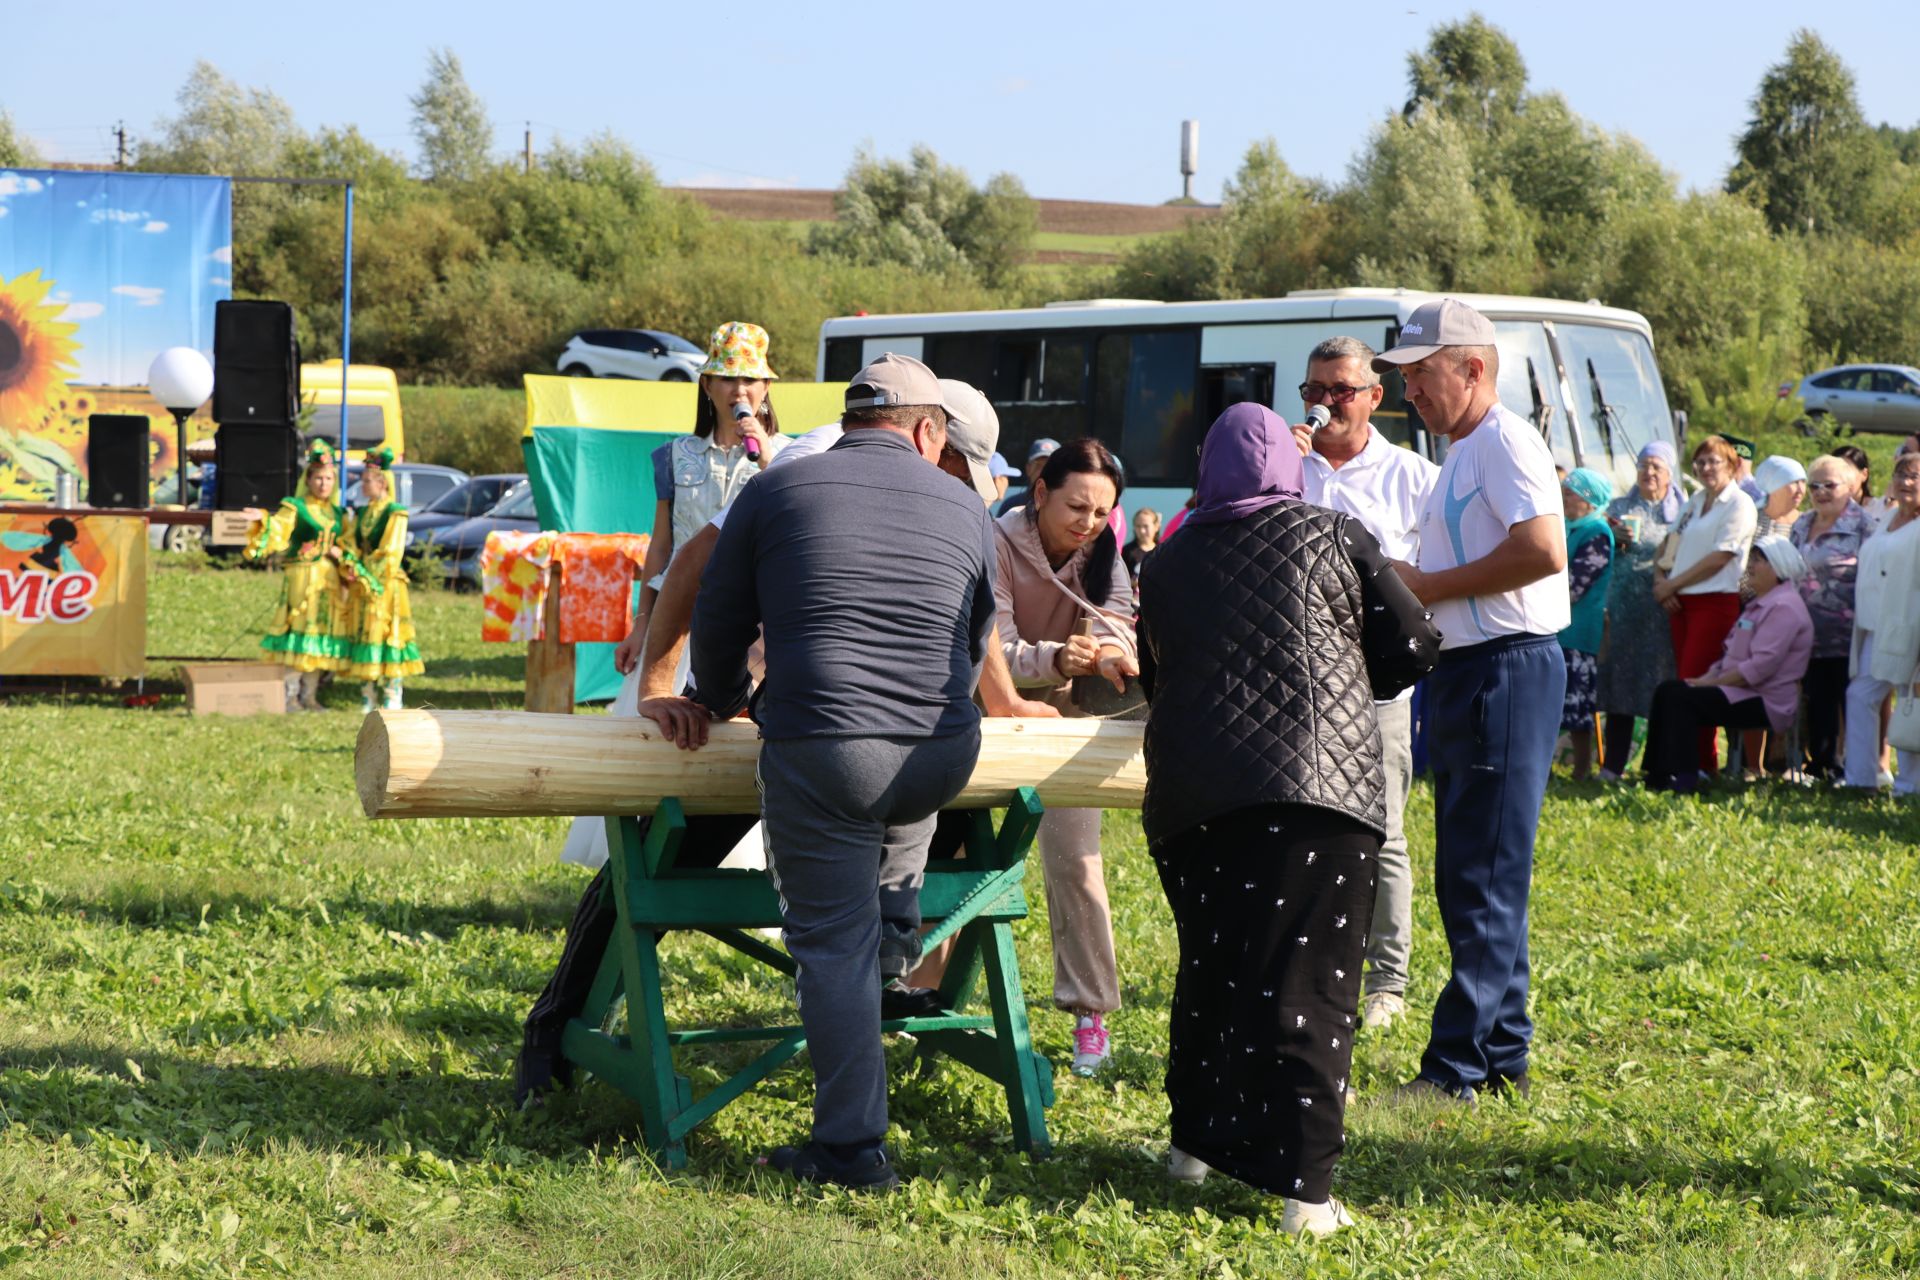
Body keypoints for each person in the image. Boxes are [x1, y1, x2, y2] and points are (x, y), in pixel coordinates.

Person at [513, 379, 1054, 1113]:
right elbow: (697, 563)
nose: (961, 495)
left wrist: (1005, 705)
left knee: (940, 851)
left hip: (846, 726)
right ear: (930, 438)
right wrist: (662, 688)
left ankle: (873, 1000)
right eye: (963, 476)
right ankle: (555, 1027)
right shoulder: (813, 458)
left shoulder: (939, 496)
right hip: (752, 715)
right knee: (654, 866)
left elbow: (971, 612)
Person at [687, 353, 997, 1191]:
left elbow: (717, 618)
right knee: (885, 901)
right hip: (938, 753)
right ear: (928, 432)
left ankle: (852, 1150)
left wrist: (713, 701)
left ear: (852, 419)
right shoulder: (968, 509)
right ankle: (889, 971)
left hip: (825, 746)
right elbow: (974, 643)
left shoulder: (776, 490)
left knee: (830, 944)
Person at [1137, 402, 1436, 1236]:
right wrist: (1351, 676)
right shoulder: (1335, 533)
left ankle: (1192, 1149)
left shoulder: (1165, 562)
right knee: (1313, 986)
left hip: (1196, 796)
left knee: (1212, 970)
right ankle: (1304, 1195)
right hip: (1321, 790)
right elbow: (1414, 642)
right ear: (1289, 467)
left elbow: (1154, 674)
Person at [1374, 298, 1570, 1106]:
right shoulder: (1462, 451)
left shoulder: (1504, 442)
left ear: (1474, 367)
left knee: (1481, 873)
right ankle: (1502, 1054)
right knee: (1474, 870)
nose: (1409, 391)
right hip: (1468, 671)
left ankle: (1454, 1069)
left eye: (1421, 374)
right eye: (1405, 377)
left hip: (1505, 669)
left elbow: (1543, 549)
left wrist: (1427, 586)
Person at [1291, 334, 1440, 1031]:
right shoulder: (1287, 469)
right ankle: (1312, 961)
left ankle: (1387, 981)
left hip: (1376, 685)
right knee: (1299, 825)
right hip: (1294, 679)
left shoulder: (1412, 477)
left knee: (1383, 830)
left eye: (1339, 391)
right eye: (1313, 391)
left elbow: (1436, 581)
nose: (1325, 405)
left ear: (1374, 399)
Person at [979, 437, 1138, 1075]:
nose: (1088, 524)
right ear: (1040, 493)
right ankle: (916, 993)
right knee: (952, 859)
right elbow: (994, 643)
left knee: (1078, 860)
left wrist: (1104, 654)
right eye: (1076, 507)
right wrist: (1055, 658)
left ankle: (1090, 1016)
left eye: (1102, 514)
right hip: (985, 709)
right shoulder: (992, 539)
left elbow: (1116, 620)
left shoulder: (1104, 550)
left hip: (1063, 717)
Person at [635, 321, 788, 646]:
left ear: (766, 387)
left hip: (756, 622)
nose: (739, 390)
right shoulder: (673, 456)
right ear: (707, 385)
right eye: (728, 379)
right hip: (678, 617)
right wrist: (640, 627)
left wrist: (767, 460)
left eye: (749, 379)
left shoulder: (792, 455)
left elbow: (797, 526)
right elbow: (661, 546)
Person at [1641, 538, 1813, 794]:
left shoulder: (1784, 607)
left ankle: (1686, 778)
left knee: (1683, 699)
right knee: (1669, 690)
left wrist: (1708, 684)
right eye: (1751, 559)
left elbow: (1759, 668)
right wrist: (1704, 679)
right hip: (1739, 690)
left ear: (1777, 567)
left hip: (1765, 700)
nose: (1750, 566)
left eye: (1758, 560)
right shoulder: (1759, 604)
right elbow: (1728, 657)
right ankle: (1658, 774)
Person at [1654, 436, 1757, 775]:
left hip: (1713, 602)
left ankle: (1701, 763)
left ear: (1731, 465)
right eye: (1701, 462)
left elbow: (1721, 556)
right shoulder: (1695, 500)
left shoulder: (1739, 503)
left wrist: (1674, 584)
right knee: (1682, 680)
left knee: (1696, 682)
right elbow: (1670, 543)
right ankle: (1684, 758)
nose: (1707, 468)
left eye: (1715, 461)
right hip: (1680, 603)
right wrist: (1661, 582)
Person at [241, 442, 369, 711]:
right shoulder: (295, 506)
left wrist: (343, 556)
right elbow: (279, 528)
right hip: (303, 576)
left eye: (329, 478)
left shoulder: (337, 513)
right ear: (308, 479)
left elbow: (348, 545)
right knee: (300, 630)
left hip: (329, 581)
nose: (324, 483)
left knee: (320, 634)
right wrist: (261, 520)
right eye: (319, 477)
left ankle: (310, 696)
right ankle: (289, 696)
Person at [1597, 443, 1685, 780]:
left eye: (1657, 467)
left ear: (1669, 474)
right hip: (1622, 608)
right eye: (1644, 465)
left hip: (1661, 610)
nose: (1649, 473)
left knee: (1659, 684)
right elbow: (1596, 542)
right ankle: (1612, 766)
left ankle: (1658, 765)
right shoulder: (1618, 507)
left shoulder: (1682, 512)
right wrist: (1609, 533)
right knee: (1621, 682)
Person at [1789, 455, 1875, 780]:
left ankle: (1854, 769)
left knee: (1848, 701)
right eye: (1815, 485)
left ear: (1850, 487)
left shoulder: (1864, 525)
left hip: (1848, 632)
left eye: (1830, 485)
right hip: (1806, 632)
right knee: (1818, 699)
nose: (1821, 491)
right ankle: (1822, 765)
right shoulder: (1801, 523)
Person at [1842, 450, 1920, 794]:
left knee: (1911, 702)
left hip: (1911, 627)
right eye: (1901, 474)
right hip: (1877, 626)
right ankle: (1860, 778)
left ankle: (1910, 786)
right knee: (1860, 695)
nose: (1905, 482)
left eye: (1915, 476)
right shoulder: (1887, 519)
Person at [345, 448, 425, 712]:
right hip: (364, 582)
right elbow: (354, 543)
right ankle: (367, 693)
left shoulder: (395, 512)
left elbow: (392, 550)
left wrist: (370, 574)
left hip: (387, 583)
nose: (363, 485)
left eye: (367, 480)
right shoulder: (363, 513)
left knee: (389, 633)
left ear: (382, 483)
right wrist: (351, 563)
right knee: (367, 633)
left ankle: (393, 693)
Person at [1558, 467, 1615, 781]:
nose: (1564, 498)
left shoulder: (1597, 533)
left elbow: (1574, 586)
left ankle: (1582, 769)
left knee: (1578, 703)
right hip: (1559, 628)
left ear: (1590, 500)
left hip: (1579, 630)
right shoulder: (1568, 528)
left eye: (1570, 493)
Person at [996, 437, 1059, 515]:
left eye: (1049, 466)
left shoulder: (1067, 505)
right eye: (1038, 466)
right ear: (1028, 468)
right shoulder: (1011, 506)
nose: (1043, 471)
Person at [1751, 455, 1807, 542]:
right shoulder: (1751, 519)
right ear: (1774, 486)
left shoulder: (1808, 524)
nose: (1801, 489)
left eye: (1803, 482)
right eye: (1794, 482)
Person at [1122, 507, 1161, 581]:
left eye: (1146, 526)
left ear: (1156, 527)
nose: (1142, 531)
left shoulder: (1162, 551)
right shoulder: (1127, 551)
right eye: (1138, 526)